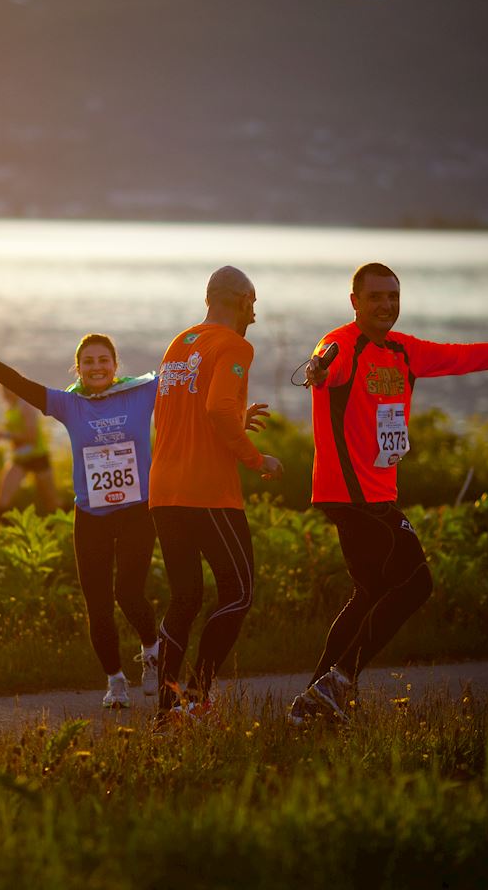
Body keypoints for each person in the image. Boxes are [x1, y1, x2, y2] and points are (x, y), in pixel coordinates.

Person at [286, 262, 488, 725]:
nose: (386, 305)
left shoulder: (405, 351)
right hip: (351, 494)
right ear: (355, 303)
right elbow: (325, 365)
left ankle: (316, 700)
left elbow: (464, 356)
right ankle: (339, 681)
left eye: (393, 296)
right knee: (417, 582)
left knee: (369, 593)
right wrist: (318, 371)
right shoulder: (342, 344)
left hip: (375, 493)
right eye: (375, 297)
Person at [0, 311, 161, 708]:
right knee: (97, 604)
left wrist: (235, 416)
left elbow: (191, 396)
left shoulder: (142, 393)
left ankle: (152, 650)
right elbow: (16, 382)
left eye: (104, 360)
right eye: (88, 362)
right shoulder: (69, 405)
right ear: (78, 369)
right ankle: (115, 682)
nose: (97, 367)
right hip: (91, 518)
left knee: (129, 593)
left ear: (115, 367)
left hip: (136, 512)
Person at [149, 266, 283, 722]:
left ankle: (168, 710)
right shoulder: (235, 345)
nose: (254, 314)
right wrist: (254, 457)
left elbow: (186, 414)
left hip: (164, 490)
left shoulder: (178, 345)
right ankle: (198, 696)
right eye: (254, 305)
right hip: (206, 491)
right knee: (239, 591)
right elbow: (219, 408)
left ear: (209, 299)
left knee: (185, 597)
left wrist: (232, 426)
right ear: (245, 302)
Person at [0, 381, 60, 514]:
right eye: (3, 389)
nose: (5, 392)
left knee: (51, 502)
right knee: (2, 499)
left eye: (8, 388)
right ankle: (6, 531)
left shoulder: (25, 406)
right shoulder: (9, 408)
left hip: (37, 457)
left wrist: (5, 435)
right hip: (20, 458)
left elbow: (31, 437)